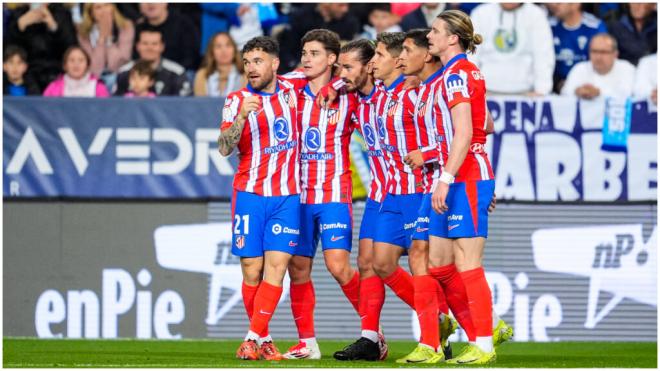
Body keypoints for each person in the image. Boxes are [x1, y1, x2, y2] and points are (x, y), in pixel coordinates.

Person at [333, 32, 422, 361]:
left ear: (369, 66)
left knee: (426, 266)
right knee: (367, 263)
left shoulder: (398, 94)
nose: (341, 74)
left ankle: (443, 319)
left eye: (347, 67)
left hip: (414, 190)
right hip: (381, 192)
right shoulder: (357, 100)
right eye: (339, 67)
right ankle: (371, 337)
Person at [218, 36, 301, 361]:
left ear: (275, 64)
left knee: (276, 269)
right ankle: (264, 339)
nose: (251, 68)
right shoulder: (236, 99)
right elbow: (224, 148)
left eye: (258, 61)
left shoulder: (294, 96)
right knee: (252, 270)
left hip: (286, 197)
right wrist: (240, 118)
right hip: (250, 195)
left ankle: (250, 338)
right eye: (247, 62)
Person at [281, 29, 361, 361]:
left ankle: (372, 332)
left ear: (332, 58)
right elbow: (266, 75)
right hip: (297, 196)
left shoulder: (348, 95)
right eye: (304, 52)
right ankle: (307, 342)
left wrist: (338, 83)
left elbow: (365, 76)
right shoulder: (292, 88)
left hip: (332, 194)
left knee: (339, 266)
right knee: (297, 268)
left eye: (314, 53)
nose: (306, 58)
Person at [426, 10, 497, 364]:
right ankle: (485, 326)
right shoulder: (457, 73)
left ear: (453, 37)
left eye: (436, 30)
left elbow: (467, 132)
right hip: (462, 172)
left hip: (462, 176)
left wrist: (447, 177)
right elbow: (487, 124)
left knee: (468, 262)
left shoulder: (456, 74)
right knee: (438, 263)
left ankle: (484, 342)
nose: (430, 35)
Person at [469, 3, 555, 96]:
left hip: (526, 93)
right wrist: (471, 88)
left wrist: (542, 90)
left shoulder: (536, 14)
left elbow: (543, 55)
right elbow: (471, 54)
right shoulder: (480, 13)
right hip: (485, 92)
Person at [6, 3, 77, 91]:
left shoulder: (62, 13)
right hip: (27, 74)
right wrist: (20, 26)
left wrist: (53, 27)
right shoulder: (18, 14)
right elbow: (9, 51)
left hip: (57, 72)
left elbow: (71, 48)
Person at [278, 4, 360, 72]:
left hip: (331, 70)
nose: (345, 10)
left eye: (347, 5)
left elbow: (347, 53)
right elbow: (286, 48)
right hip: (297, 66)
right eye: (341, 5)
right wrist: (294, 65)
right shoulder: (302, 16)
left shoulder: (350, 22)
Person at [548, 3, 607, 93]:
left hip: (588, 84)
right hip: (554, 85)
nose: (554, 5)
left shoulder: (594, 26)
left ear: (575, 4)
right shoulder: (549, 25)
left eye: (559, 2)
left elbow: (603, 59)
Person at [114, 28, 191, 96]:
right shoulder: (125, 72)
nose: (149, 48)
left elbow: (184, 104)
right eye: (145, 43)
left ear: (162, 47)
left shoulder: (176, 72)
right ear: (138, 46)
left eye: (154, 44)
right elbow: (116, 103)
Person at [560, 33, 636, 99]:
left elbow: (628, 96)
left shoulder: (627, 69)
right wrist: (577, 92)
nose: (598, 57)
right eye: (594, 51)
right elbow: (565, 95)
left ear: (615, 54)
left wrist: (598, 93)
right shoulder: (579, 68)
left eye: (603, 52)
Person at [77, 3, 134, 90]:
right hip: (93, 81)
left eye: (107, 5)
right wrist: (102, 39)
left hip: (121, 78)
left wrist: (109, 39)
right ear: (91, 13)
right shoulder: (84, 33)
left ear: (113, 7)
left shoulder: (126, 26)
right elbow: (95, 69)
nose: (104, 11)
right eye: (98, 7)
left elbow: (117, 64)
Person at [134, 3, 200, 71]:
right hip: (145, 74)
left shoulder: (184, 24)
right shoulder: (138, 28)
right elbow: (135, 58)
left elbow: (190, 58)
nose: (150, 3)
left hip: (179, 73)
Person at [43, 46, 109, 97]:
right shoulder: (53, 88)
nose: (76, 64)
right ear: (65, 65)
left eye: (81, 60)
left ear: (87, 65)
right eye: (72, 60)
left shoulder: (98, 87)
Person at [194, 32, 245, 97]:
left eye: (228, 45)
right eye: (218, 46)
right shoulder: (202, 74)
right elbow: (199, 105)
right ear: (212, 52)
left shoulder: (245, 75)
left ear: (234, 50)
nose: (223, 50)